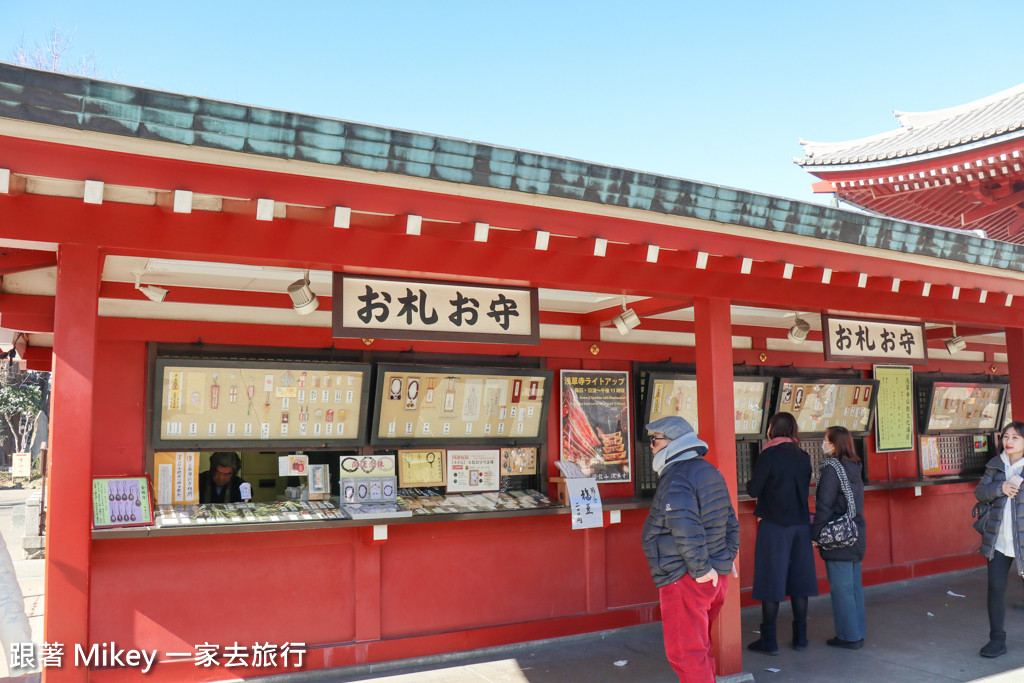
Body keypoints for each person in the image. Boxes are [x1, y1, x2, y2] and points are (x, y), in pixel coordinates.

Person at [641, 416, 739, 682]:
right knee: (700, 647)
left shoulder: (677, 476)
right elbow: (731, 519)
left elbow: (685, 527)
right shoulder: (709, 470)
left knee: (686, 654)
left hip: (686, 577)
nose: (651, 446)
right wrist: (725, 559)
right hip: (713, 575)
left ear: (673, 443)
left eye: (654, 440)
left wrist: (701, 568)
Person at [745, 412, 818, 654]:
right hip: (800, 524)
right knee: (800, 580)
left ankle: (769, 640)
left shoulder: (769, 455)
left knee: (771, 579)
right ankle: (801, 638)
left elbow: (754, 489)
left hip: (774, 525)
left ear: (772, 429)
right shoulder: (803, 456)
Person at [811, 425, 866, 649]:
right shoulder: (854, 466)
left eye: (825, 440)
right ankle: (858, 632)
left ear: (834, 444)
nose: (823, 444)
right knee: (854, 588)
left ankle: (848, 637)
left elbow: (824, 505)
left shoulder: (832, 469)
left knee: (841, 589)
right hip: (856, 531)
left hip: (838, 535)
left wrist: (816, 533)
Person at [974, 420, 1024, 658]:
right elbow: (980, 493)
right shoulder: (995, 465)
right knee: (995, 588)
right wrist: (1001, 487)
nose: (1009, 441)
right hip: (999, 540)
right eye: (1006, 436)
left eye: (1015, 437)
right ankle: (997, 640)